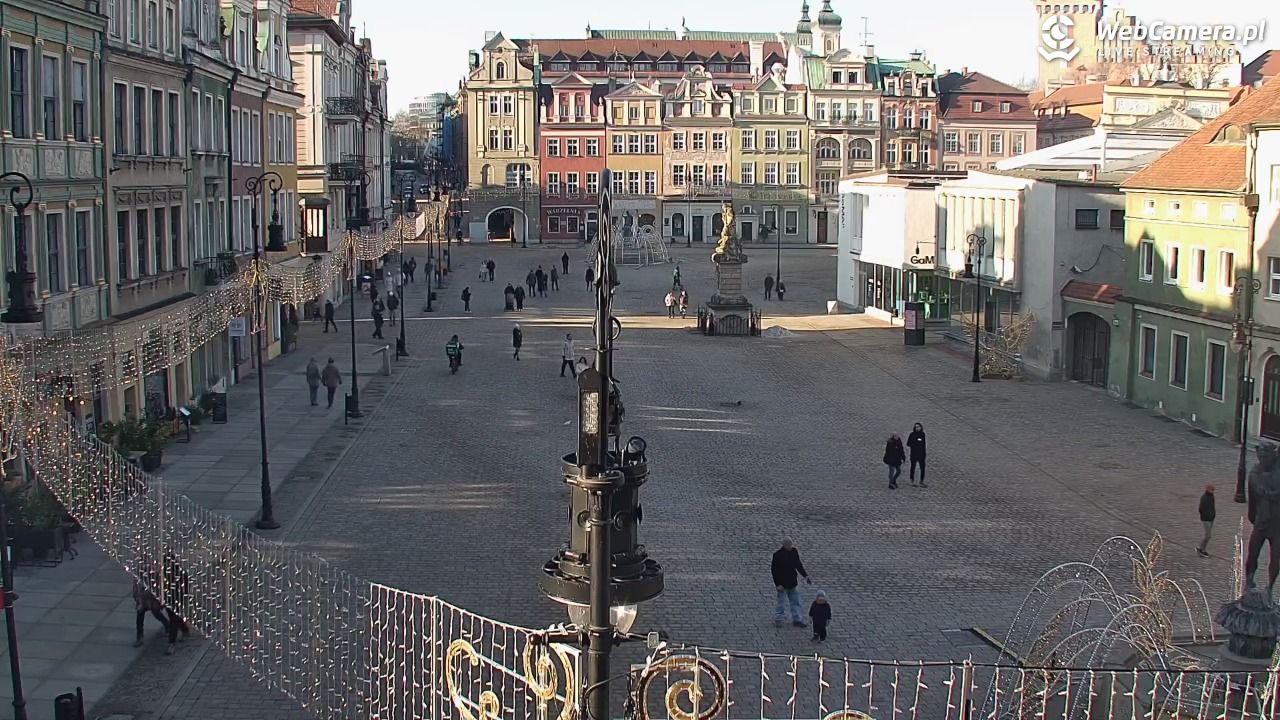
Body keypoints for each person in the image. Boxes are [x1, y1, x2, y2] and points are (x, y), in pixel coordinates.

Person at [771, 538, 811, 627]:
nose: (790, 546)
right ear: (784, 545)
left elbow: (798, 564)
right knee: (781, 602)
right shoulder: (777, 555)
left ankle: (797, 619)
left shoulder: (794, 552)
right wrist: (777, 584)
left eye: (790, 544)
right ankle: (779, 619)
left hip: (792, 582)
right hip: (782, 583)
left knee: (795, 601)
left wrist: (805, 575)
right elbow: (774, 571)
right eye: (788, 545)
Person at [133, 577, 169, 647]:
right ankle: (139, 637)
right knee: (140, 617)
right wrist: (136, 596)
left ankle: (167, 626)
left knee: (156, 613)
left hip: (151, 598)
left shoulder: (152, 574)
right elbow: (135, 586)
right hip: (142, 598)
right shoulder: (138, 577)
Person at [1198, 484, 1216, 557]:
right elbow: (1200, 509)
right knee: (1208, 535)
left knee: (1208, 535)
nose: (1213, 491)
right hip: (1206, 519)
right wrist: (1205, 515)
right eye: (1212, 490)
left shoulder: (1211, 497)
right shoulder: (1204, 498)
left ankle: (1202, 548)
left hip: (1211, 518)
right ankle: (1201, 549)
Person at [907, 423, 927, 487]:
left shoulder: (922, 434)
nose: (917, 428)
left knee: (922, 468)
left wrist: (924, 454)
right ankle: (912, 480)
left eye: (919, 427)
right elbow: (908, 443)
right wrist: (916, 441)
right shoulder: (912, 434)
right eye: (916, 427)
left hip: (921, 455)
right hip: (914, 454)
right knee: (913, 467)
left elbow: (923, 445)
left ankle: (921, 481)